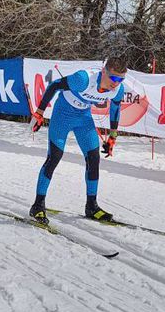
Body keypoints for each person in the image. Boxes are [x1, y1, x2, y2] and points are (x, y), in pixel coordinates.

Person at [29, 56, 127, 223]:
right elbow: (54, 86)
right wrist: (39, 113)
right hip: (63, 115)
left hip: (83, 118)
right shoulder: (83, 79)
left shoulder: (118, 89)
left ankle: (91, 206)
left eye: (120, 79)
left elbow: (116, 109)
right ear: (103, 71)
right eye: (113, 77)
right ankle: (37, 205)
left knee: (94, 158)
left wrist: (112, 136)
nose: (115, 82)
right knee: (54, 157)